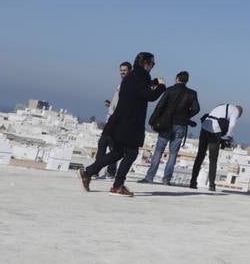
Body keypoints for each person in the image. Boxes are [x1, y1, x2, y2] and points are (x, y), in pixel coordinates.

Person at [78, 52, 166, 196]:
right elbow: (150, 96)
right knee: (131, 153)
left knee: (117, 153)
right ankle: (118, 186)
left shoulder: (132, 76)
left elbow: (140, 89)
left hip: (118, 121)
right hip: (129, 123)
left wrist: (153, 82)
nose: (152, 67)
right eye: (152, 64)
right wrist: (162, 86)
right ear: (146, 63)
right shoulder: (141, 76)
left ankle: (88, 172)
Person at [139, 71, 200, 185]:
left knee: (158, 151)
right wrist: (186, 116)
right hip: (181, 125)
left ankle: (149, 177)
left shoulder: (170, 90)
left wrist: (152, 121)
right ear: (186, 80)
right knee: (173, 153)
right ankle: (166, 180)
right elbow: (196, 109)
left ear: (177, 78)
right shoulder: (192, 93)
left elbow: (160, 106)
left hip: (166, 124)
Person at [190, 102, 242, 191]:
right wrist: (229, 137)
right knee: (213, 159)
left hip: (205, 126)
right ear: (239, 113)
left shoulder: (222, 106)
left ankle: (193, 182)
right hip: (214, 130)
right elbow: (232, 125)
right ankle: (211, 184)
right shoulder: (235, 111)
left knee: (200, 156)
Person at [96, 61, 131, 180]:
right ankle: (98, 170)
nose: (122, 72)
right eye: (121, 70)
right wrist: (111, 105)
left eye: (124, 70)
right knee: (104, 144)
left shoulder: (127, 84)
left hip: (116, 121)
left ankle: (108, 172)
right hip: (112, 117)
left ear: (129, 70)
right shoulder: (122, 83)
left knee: (112, 147)